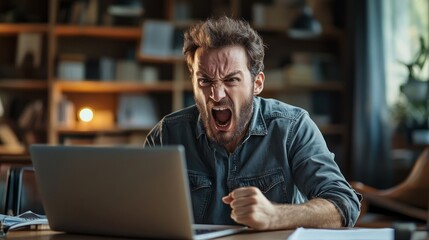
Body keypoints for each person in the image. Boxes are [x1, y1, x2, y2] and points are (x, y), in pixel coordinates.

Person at [144, 16, 361, 230]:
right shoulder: (166, 135)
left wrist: (275, 216)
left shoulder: (293, 128)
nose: (217, 95)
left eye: (231, 80)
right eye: (205, 81)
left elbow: (344, 205)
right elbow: (141, 215)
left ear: (257, 84)